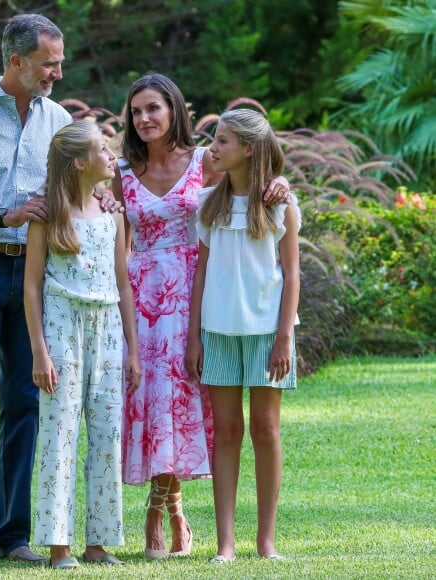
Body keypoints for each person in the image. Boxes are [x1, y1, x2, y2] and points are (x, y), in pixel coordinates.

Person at [0, 14, 117, 570]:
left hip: (43, 280)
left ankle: (13, 535)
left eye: (59, 62)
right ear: (16, 62)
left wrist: (100, 200)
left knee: (27, 403)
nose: (58, 73)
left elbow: (76, 184)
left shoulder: (59, 119)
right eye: (48, 64)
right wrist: (3, 215)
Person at [112, 72, 291, 559]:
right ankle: (161, 505)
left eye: (154, 108)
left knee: (187, 404)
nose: (144, 118)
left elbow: (245, 185)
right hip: (143, 297)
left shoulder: (205, 162)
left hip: (200, 292)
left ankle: (174, 509)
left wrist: (277, 180)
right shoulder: (121, 170)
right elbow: (110, 227)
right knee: (150, 399)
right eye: (136, 111)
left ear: (173, 110)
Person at [23, 120, 142, 569]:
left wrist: (132, 348)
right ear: (79, 162)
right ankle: (59, 548)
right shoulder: (48, 216)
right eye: (104, 150)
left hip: (108, 326)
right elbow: (31, 287)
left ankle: (99, 543)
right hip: (61, 328)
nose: (113, 156)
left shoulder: (113, 214)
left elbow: (123, 283)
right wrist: (39, 350)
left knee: (108, 434)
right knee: (60, 433)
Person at [186, 108, 301, 563]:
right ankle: (226, 544)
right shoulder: (207, 205)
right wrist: (195, 337)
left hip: (266, 334)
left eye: (223, 141)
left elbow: (291, 276)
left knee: (266, 430)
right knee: (227, 431)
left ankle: (266, 542)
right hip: (218, 332)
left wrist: (284, 339)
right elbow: (200, 274)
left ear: (248, 150)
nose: (213, 148)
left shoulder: (280, 204)